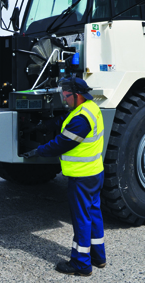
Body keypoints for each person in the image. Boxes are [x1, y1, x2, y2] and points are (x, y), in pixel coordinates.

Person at [21, 77, 106, 277]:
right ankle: (98, 257)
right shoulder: (90, 108)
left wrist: (38, 151)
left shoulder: (81, 120)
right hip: (94, 173)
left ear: (76, 95)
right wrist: (41, 125)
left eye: (66, 95)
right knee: (93, 214)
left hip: (81, 177)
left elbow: (61, 143)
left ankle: (81, 264)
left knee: (81, 219)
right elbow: (63, 121)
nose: (64, 99)